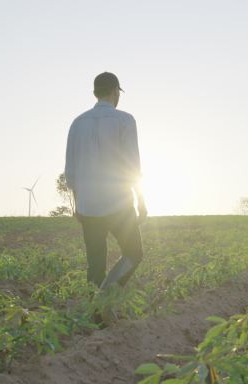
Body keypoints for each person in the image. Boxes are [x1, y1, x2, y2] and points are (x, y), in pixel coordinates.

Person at [65, 72, 147, 290]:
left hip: (88, 206)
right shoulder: (125, 120)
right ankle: (106, 295)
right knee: (134, 253)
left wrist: (77, 206)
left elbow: (71, 173)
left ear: (94, 93)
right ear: (115, 92)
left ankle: (94, 316)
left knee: (95, 266)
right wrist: (141, 201)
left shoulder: (77, 123)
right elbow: (132, 165)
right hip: (119, 204)